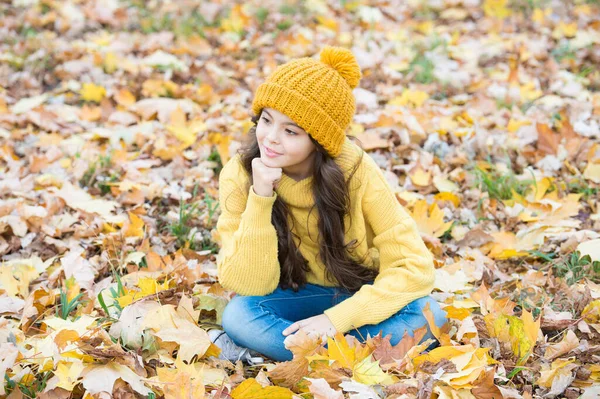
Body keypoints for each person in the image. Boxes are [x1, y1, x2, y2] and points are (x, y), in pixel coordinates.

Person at [208, 45, 448, 364]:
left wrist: (335, 321)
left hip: (362, 293)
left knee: (431, 315)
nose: (270, 138)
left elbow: (415, 266)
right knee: (239, 317)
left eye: (291, 131)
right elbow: (248, 283)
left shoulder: (356, 173)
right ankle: (349, 357)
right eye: (266, 120)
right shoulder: (241, 173)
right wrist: (261, 198)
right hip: (296, 294)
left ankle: (309, 357)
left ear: (318, 141)